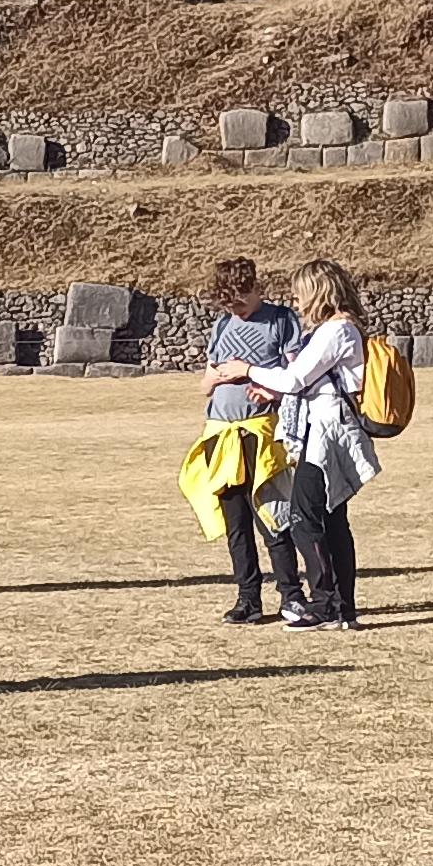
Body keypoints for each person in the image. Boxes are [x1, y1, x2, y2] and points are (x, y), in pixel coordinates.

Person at [210, 256, 378, 631]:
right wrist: (271, 390)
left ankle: (324, 604)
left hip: (326, 436)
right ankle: (341, 608)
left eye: (301, 294)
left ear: (318, 292)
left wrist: (248, 370)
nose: (297, 302)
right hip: (322, 431)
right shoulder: (337, 330)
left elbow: (296, 377)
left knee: (305, 519)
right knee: (332, 522)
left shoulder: (336, 331)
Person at [183, 255, 304, 622]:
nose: (236, 308)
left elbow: (297, 377)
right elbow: (205, 385)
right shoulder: (222, 325)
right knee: (236, 521)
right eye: (229, 303)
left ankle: (291, 596)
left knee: (272, 516)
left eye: (241, 300)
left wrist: (261, 381)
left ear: (256, 288)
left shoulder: (282, 321)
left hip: (261, 431)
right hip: (221, 432)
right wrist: (219, 378)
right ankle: (248, 598)